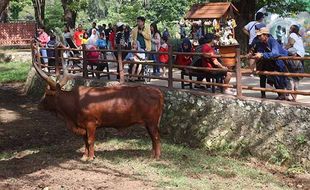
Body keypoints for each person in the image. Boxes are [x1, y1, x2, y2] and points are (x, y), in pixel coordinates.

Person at [252, 27, 289, 100]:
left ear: (266, 35)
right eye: (258, 36)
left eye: (260, 35)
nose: (259, 37)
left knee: (280, 78)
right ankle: (281, 94)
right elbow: (258, 50)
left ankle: (284, 95)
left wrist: (262, 55)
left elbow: (275, 53)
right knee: (274, 77)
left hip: (280, 62)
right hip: (272, 63)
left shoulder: (272, 41)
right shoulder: (262, 43)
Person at [285, 25, 306, 101]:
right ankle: (294, 97)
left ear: (292, 29)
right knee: (296, 78)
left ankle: (290, 96)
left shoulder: (292, 35)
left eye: (290, 28)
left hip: (294, 57)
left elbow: (291, 43)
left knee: (289, 76)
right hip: (300, 58)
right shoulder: (299, 37)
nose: (289, 29)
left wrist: (283, 49)